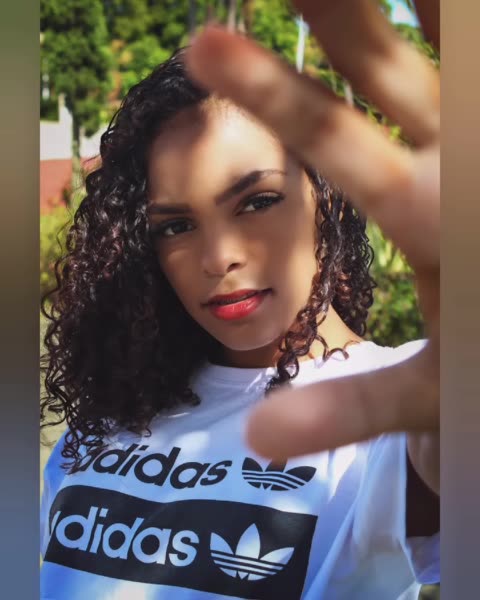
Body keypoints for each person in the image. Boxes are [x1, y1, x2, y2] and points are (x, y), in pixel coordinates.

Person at [40, 2, 439, 599]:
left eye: (257, 202)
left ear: (327, 198)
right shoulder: (106, 424)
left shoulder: (397, 411)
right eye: (175, 226)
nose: (218, 257)